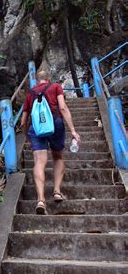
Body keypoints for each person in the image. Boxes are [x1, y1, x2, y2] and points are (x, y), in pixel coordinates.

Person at [20, 70, 81, 214]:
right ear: (48, 78)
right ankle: (57, 192)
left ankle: (41, 200)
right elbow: (63, 107)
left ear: (36, 80)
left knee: (39, 162)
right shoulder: (55, 87)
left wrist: (28, 137)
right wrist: (73, 130)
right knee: (58, 156)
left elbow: (23, 122)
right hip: (55, 124)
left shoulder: (30, 93)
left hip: (36, 128)